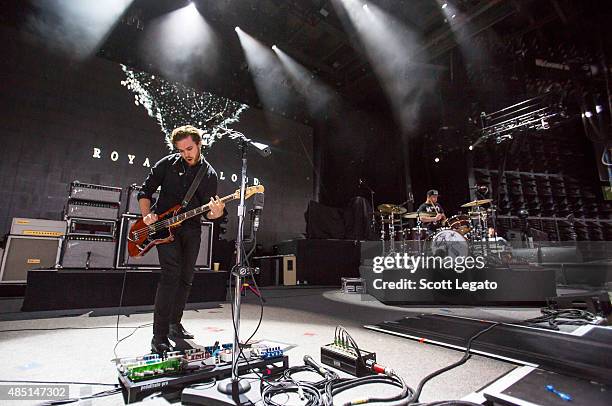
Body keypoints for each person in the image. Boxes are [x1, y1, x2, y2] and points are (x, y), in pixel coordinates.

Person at [138, 125, 225, 354]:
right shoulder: (166, 164)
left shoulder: (209, 174)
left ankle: (175, 324)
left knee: (186, 279)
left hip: (192, 230)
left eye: (189, 148)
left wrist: (215, 213)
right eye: (181, 149)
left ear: (199, 144)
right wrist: (147, 214)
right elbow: (145, 191)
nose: (186, 153)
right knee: (170, 277)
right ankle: (159, 335)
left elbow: (209, 211)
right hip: (165, 229)